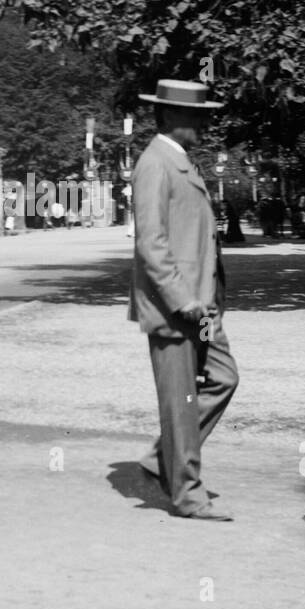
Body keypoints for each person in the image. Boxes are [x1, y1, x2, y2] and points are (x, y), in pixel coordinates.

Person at [128, 80, 239, 521]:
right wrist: (180, 298)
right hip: (178, 310)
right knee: (182, 401)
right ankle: (188, 494)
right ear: (172, 118)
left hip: (203, 306)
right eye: (198, 116)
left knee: (223, 377)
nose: (205, 123)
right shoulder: (154, 164)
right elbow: (151, 242)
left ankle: (163, 459)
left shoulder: (179, 161)